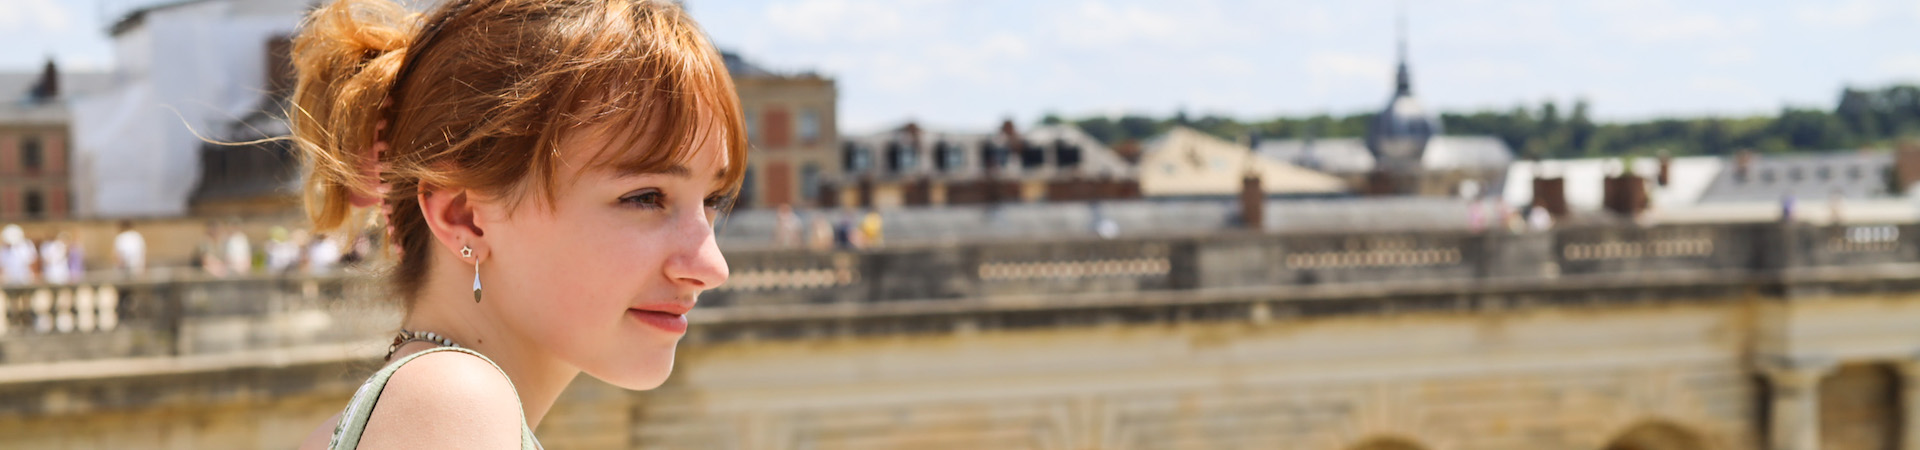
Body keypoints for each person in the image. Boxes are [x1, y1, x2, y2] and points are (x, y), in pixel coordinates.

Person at [287, 1, 742, 448]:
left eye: (712, 200)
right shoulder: (451, 403)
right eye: (645, 197)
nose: (711, 265)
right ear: (464, 218)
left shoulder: (387, 417)